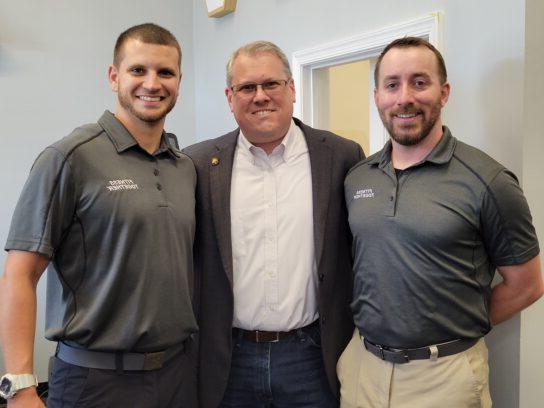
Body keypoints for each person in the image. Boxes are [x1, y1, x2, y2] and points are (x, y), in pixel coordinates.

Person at [0, 23, 198, 408]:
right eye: (138, 70)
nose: (152, 83)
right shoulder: (69, 158)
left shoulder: (184, 167)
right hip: (95, 383)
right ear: (113, 76)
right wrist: (21, 386)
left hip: (177, 376)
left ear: (179, 81)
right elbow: (19, 274)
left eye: (165, 72)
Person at [340, 36, 543, 407]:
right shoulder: (358, 177)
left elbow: (527, 285)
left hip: (443, 376)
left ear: (444, 92)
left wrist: (457, 326)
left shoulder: (489, 180)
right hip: (362, 369)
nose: (405, 98)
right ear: (377, 97)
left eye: (420, 82)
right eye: (392, 84)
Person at [184, 40, 364, 408]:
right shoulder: (199, 164)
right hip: (229, 360)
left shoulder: (341, 156)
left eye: (271, 84)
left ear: (292, 89)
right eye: (247, 88)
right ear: (229, 97)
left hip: (311, 358)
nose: (260, 96)